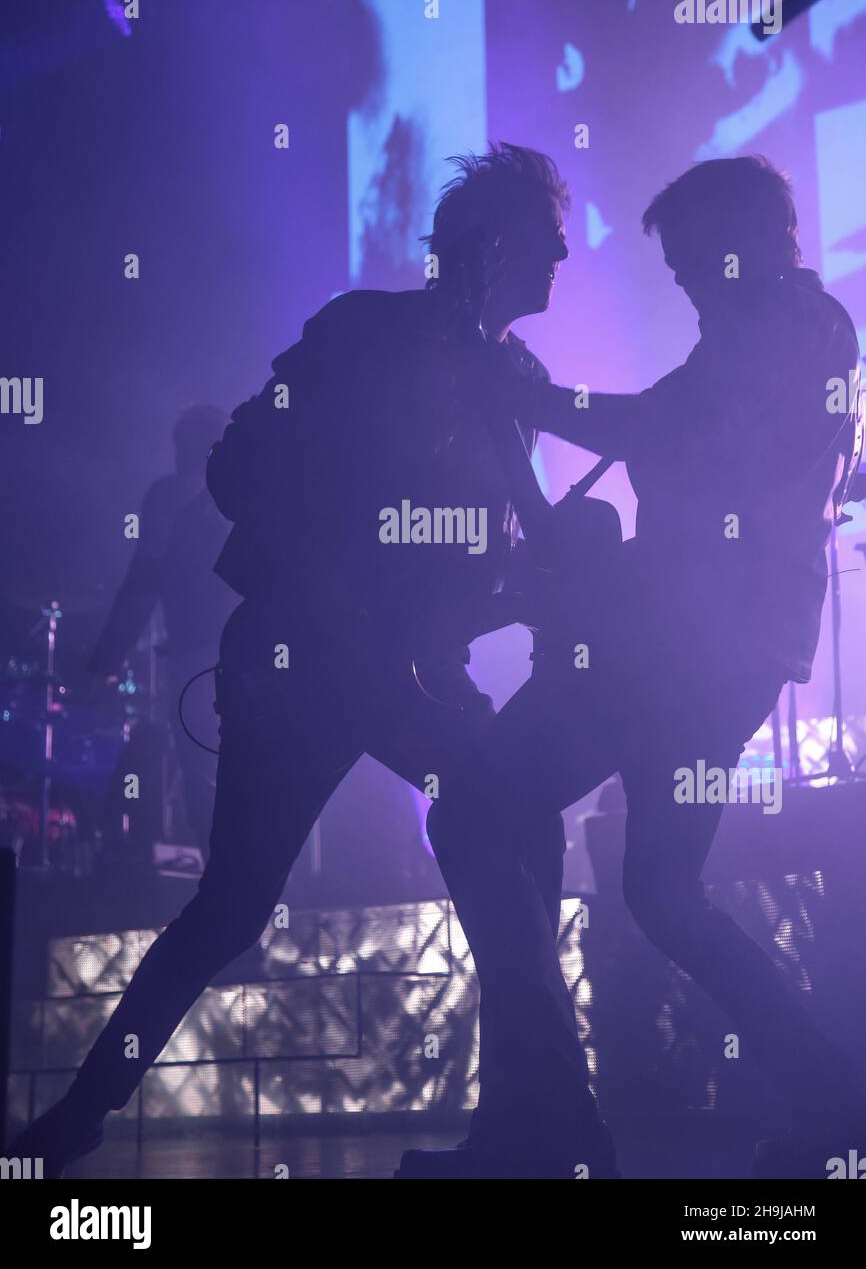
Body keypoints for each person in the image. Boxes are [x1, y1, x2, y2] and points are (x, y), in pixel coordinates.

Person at [4, 144, 591, 1178]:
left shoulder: (508, 379)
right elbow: (236, 466)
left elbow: (487, 556)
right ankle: (532, 1129)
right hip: (313, 658)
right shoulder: (364, 334)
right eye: (548, 237)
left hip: (381, 666)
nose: (563, 256)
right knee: (456, 837)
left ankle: (520, 1127)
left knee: (482, 834)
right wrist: (350, 574)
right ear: (493, 244)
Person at [401, 155, 865, 1179]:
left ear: (742, 240)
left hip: (669, 646)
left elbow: (661, 425)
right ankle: (830, 1094)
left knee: (476, 812)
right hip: (722, 652)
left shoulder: (778, 330)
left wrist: (526, 391)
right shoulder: (806, 328)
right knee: (660, 888)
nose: (685, 285)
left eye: (693, 261)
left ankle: (542, 1126)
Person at [89, 405, 235, 855]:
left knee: (202, 774)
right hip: (256, 651)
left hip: (195, 656)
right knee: (252, 770)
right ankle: (272, 890)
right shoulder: (254, 493)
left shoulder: (168, 496)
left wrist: (107, 659)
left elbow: (143, 580)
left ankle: (223, 885)